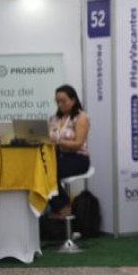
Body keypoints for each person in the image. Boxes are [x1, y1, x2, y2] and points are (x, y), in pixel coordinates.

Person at [47, 84, 91, 216]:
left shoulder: (81, 117)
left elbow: (78, 144)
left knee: (49, 172)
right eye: (57, 101)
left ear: (73, 100)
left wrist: (59, 141)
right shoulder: (54, 119)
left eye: (63, 101)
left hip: (78, 158)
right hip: (58, 156)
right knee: (41, 170)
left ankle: (62, 206)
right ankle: (62, 204)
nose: (60, 104)